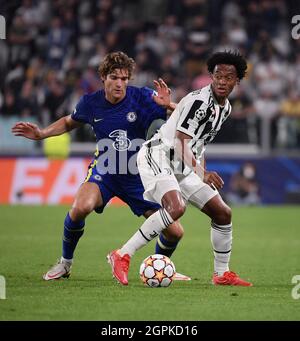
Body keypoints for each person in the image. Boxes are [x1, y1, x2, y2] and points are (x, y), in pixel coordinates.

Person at [11, 51, 190, 284]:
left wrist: (171, 106)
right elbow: (68, 122)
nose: (120, 83)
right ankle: (65, 263)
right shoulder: (90, 103)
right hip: (105, 171)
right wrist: (42, 133)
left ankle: (158, 266)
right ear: (103, 77)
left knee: (175, 232)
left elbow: (182, 116)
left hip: (138, 176)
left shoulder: (143, 97)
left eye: (125, 79)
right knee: (80, 207)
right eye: (114, 77)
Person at [108, 51, 253, 286]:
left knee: (223, 213)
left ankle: (221, 274)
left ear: (237, 81)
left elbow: (199, 143)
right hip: (158, 156)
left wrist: (200, 171)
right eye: (218, 76)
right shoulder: (200, 102)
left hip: (182, 164)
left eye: (228, 77)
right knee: (176, 207)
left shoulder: (224, 108)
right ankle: (121, 255)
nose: (222, 82)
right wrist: (202, 173)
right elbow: (181, 141)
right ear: (211, 77)